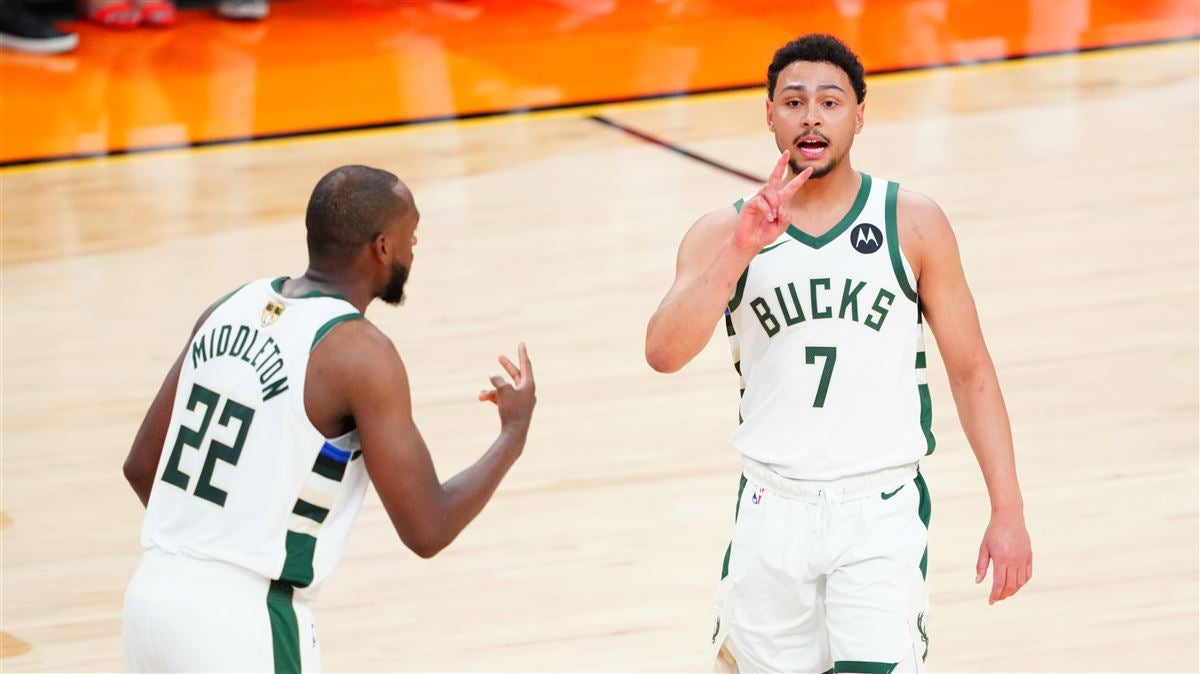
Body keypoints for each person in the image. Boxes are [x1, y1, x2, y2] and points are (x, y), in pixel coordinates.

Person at [645, 34, 1032, 673]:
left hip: (878, 509)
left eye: (830, 101)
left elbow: (971, 371)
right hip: (775, 507)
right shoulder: (722, 231)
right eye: (794, 102)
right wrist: (740, 250)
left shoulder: (912, 220)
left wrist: (1008, 510)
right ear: (769, 113)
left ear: (859, 113)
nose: (812, 116)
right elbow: (663, 351)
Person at [121, 165, 536, 672]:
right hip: (242, 622)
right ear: (382, 247)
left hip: (150, 599)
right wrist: (513, 434)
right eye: (412, 232)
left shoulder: (227, 307)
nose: (415, 244)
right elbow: (428, 528)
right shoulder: (359, 353)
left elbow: (143, 467)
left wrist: (212, 541)